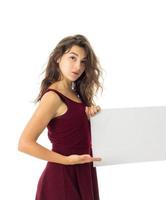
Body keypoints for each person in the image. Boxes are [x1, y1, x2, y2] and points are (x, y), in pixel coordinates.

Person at [18, 34, 103, 200]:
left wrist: (93, 117)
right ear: (58, 57)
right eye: (73, 57)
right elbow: (24, 143)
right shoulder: (53, 97)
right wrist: (67, 161)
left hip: (83, 173)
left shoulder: (76, 95)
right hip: (62, 178)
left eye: (83, 61)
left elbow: (77, 135)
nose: (78, 66)